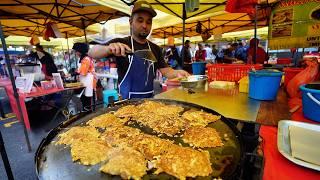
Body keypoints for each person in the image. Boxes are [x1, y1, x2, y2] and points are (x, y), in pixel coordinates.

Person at [88, 1, 188, 99]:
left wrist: (178, 73)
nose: (144, 25)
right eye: (140, 21)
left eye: (148, 22)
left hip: (149, 102)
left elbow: (166, 71)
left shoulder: (155, 48)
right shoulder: (121, 43)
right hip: (125, 102)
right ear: (131, 22)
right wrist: (108, 48)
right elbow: (92, 52)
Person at [72, 43, 96, 110]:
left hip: (89, 81)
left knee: (88, 99)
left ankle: (89, 113)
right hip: (83, 80)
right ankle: (85, 111)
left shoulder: (86, 59)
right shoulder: (81, 59)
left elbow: (83, 72)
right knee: (83, 98)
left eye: (76, 51)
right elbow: (79, 69)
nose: (75, 53)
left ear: (80, 51)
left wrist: (72, 74)